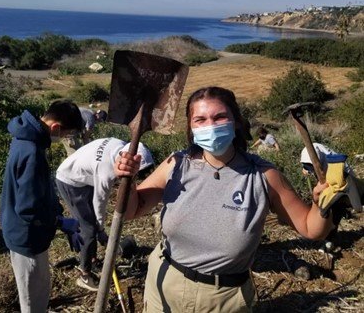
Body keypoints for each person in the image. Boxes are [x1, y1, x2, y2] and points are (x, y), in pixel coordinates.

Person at [115, 86, 333, 312]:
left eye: (219, 117)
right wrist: (128, 180)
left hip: (224, 298)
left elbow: (311, 228)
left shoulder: (263, 176)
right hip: (166, 283)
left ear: (236, 121)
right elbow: (133, 209)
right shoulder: (177, 164)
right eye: (200, 119)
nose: (210, 125)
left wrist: (322, 204)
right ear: (191, 127)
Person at [0, 100, 85, 313]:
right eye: (66, 134)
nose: (64, 139)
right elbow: (29, 208)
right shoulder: (32, 152)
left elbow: (37, 190)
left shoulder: (26, 139)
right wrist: (59, 221)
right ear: (55, 127)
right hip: (26, 236)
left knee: (38, 291)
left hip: (29, 232)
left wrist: (55, 212)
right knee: (33, 301)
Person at [55, 138, 154, 291]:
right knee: (88, 230)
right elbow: (99, 202)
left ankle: (92, 259)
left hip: (83, 174)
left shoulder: (120, 146)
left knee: (92, 224)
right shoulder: (107, 171)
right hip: (69, 180)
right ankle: (85, 275)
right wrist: (100, 230)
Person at [300, 142, 363, 253]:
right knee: (331, 209)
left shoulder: (334, 166)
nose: (311, 169)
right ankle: (329, 239)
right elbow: (308, 163)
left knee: (336, 208)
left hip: (341, 183)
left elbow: (333, 181)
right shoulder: (312, 152)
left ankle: (330, 239)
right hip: (331, 184)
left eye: (311, 167)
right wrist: (306, 169)